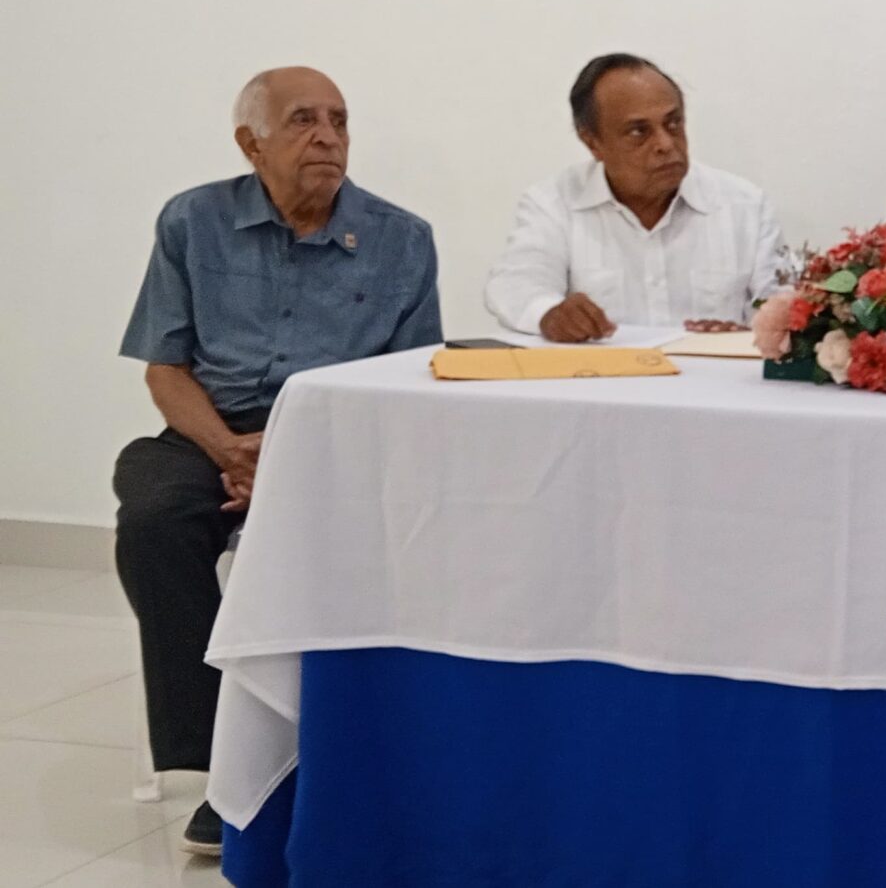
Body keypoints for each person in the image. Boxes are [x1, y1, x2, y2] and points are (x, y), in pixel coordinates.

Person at [114, 67, 443, 857]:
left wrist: (294, 462)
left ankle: (326, 750)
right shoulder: (192, 220)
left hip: (336, 443)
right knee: (155, 515)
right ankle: (220, 761)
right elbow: (165, 368)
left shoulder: (402, 238)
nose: (328, 136)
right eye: (303, 120)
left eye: (339, 120)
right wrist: (230, 451)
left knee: (356, 532)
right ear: (250, 143)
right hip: (214, 433)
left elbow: (410, 389)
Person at [485, 54, 788, 342]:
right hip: (601, 378)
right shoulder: (554, 204)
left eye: (673, 123)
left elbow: (784, 308)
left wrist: (750, 334)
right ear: (592, 142)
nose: (665, 144)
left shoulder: (745, 207)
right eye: (638, 132)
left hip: (718, 378)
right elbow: (516, 285)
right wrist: (550, 314)